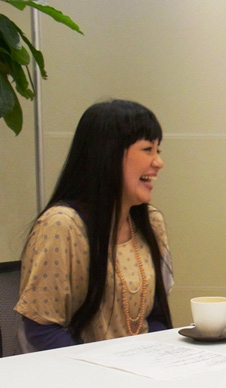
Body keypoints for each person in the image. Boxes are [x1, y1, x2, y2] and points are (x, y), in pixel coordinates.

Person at [15, 99, 173, 350]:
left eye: (158, 151)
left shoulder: (151, 222)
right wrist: (97, 368)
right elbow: (42, 328)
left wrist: (153, 356)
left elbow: (154, 316)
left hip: (139, 366)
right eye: (147, 150)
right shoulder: (62, 226)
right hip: (78, 370)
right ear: (108, 155)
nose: (158, 162)